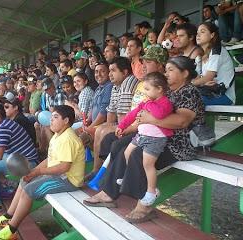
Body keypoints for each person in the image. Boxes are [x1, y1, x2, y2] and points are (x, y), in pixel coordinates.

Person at [83, 56, 205, 224]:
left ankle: (145, 205)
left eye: (171, 70)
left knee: (137, 155)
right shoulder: (167, 91)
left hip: (177, 143)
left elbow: (181, 121)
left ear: (185, 73)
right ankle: (109, 192)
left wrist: (149, 119)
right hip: (154, 134)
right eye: (166, 69)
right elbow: (143, 114)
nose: (166, 73)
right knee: (116, 142)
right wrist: (127, 128)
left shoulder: (189, 92)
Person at [0, 105, 85, 240]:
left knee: (29, 190)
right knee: (25, 180)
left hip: (68, 181)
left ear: (66, 120)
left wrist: (39, 172)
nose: (51, 120)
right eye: (51, 117)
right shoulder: (58, 135)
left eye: (55, 117)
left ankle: (11, 230)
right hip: (58, 176)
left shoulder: (68, 138)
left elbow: (64, 168)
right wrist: (33, 171)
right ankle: (8, 216)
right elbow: (49, 159)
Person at [115, 72, 173, 206]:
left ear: (159, 89)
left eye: (147, 89)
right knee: (127, 153)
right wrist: (122, 125)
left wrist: (148, 104)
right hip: (141, 136)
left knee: (148, 164)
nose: (145, 92)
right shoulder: (147, 101)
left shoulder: (165, 102)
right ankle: (130, 177)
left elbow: (159, 114)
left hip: (155, 138)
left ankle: (152, 191)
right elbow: (133, 114)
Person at [193, 22, 235, 105]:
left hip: (223, 95)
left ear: (212, 35)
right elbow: (197, 77)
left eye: (202, 31)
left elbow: (208, 77)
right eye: (197, 33)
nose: (198, 35)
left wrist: (189, 84)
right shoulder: (199, 56)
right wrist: (202, 83)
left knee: (191, 100)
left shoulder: (217, 51)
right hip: (208, 92)